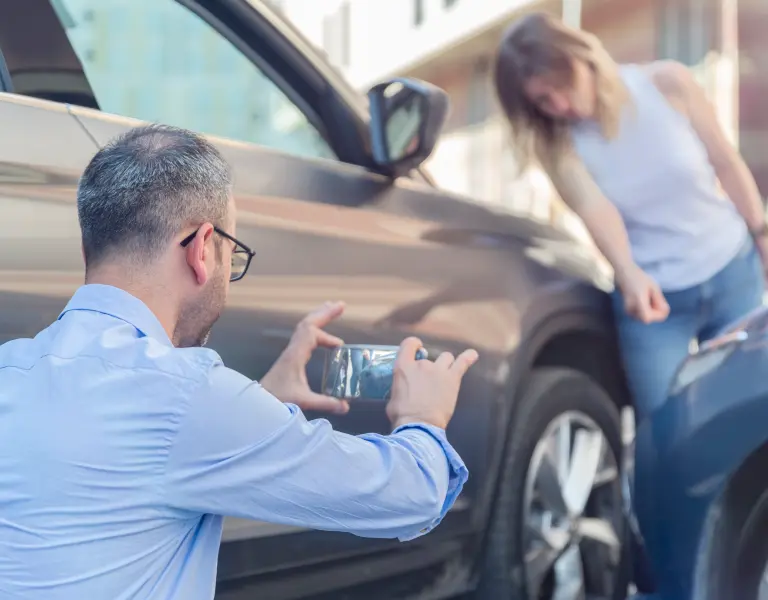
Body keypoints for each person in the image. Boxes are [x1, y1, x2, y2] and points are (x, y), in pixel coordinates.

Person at [0, 124, 479, 599]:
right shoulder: (187, 396)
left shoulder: (10, 370)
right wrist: (423, 418)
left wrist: (261, 401)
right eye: (233, 253)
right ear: (202, 248)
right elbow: (408, 495)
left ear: (88, 248)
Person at [494, 13, 767, 419]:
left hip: (732, 272)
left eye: (562, 86)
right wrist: (629, 274)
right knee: (663, 427)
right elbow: (596, 211)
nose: (561, 105)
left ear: (581, 57)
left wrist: (762, 235)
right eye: (543, 102)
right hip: (654, 301)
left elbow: (725, 163)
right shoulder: (559, 146)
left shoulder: (667, 84)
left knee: (748, 413)